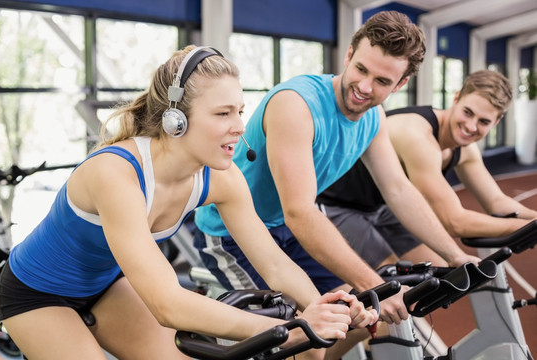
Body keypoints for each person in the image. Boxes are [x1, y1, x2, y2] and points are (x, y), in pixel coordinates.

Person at [0, 45, 377, 360]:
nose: (240, 126)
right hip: (36, 293)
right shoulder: (116, 174)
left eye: (240, 111)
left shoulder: (222, 177)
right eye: (223, 113)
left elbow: (275, 265)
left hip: (106, 284)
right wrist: (287, 328)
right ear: (175, 119)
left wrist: (324, 310)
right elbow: (167, 305)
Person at [193, 10, 479, 358]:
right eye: (361, 69)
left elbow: (399, 190)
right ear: (348, 55)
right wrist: (373, 283)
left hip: (287, 232)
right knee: (301, 339)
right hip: (233, 233)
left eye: (382, 81)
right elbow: (299, 211)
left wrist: (456, 255)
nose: (364, 87)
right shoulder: (296, 105)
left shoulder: (373, 118)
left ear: (400, 84)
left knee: (359, 319)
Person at [316, 69, 537, 268]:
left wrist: (533, 219)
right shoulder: (417, 135)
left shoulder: (466, 150)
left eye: (483, 122)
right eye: (467, 112)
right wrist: (521, 227)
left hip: (382, 207)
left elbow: (496, 202)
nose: (471, 126)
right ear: (457, 98)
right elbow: (453, 221)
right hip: (337, 205)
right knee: (394, 279)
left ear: (496, 122)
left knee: (441, 268)